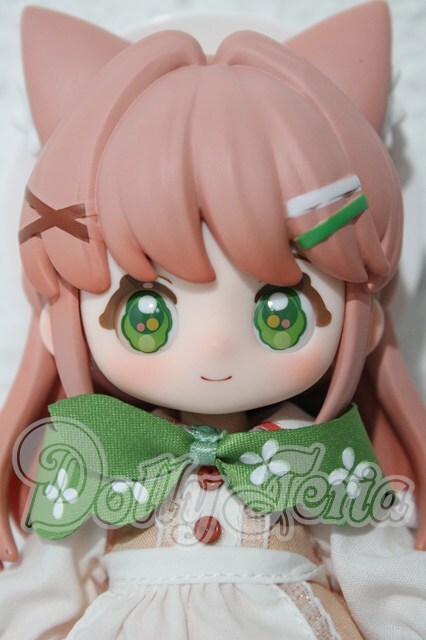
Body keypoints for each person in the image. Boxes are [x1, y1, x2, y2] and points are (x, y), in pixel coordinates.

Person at [0, 3, 425, 638]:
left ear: (370, 327)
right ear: (54, 326)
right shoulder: (102, 448)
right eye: (147, 314)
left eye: (279, 312)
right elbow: (45, 587)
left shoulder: (316, 451)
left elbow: (380, 577)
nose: (218, 342)